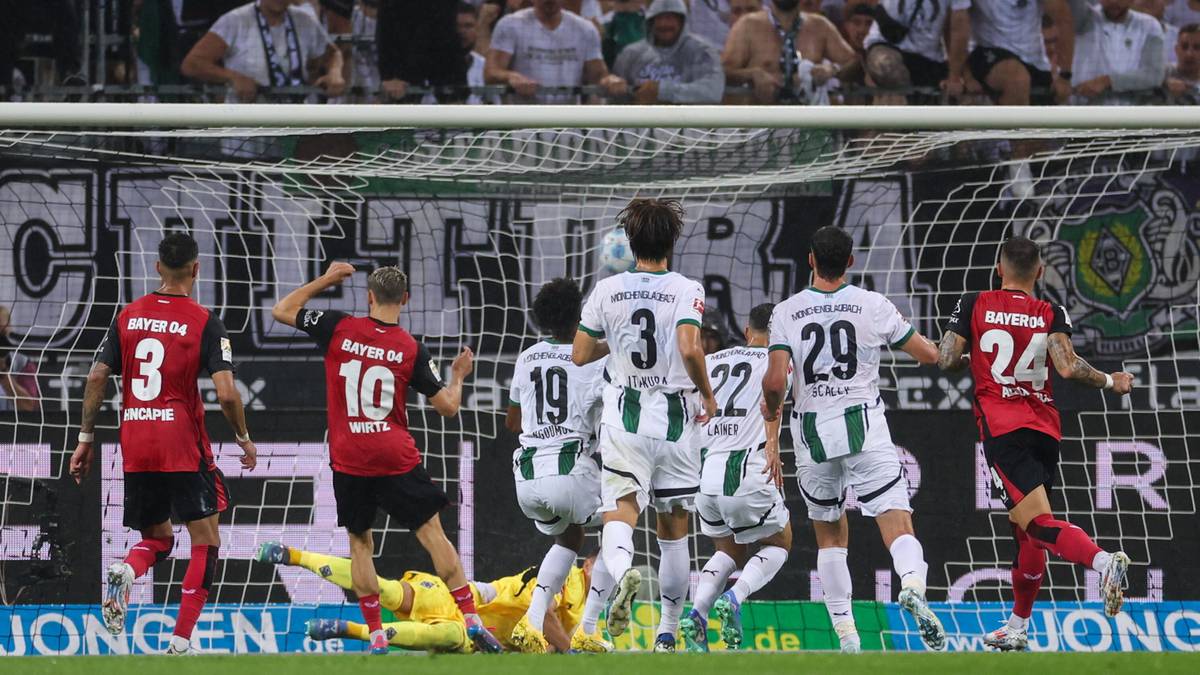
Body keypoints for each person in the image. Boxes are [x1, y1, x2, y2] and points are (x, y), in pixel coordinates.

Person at [271, 263, 502, 655]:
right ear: (406, 300)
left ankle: (377, 633)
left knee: (360, 544)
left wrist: (328, 279)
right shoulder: (411, 348)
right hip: (394, 456)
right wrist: (459, 375)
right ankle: (471, 619)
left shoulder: (338, 327)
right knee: (434, 535)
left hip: (350, 458)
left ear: (369, 297)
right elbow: (447, 407)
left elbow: (282, 309)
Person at [937, 237, 1135, 652]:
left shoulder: (974, 301)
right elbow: (1067, 366)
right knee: (1025, 533)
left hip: (1003, 429)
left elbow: (947, 360)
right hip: (1044, 429)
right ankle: (1017, 627)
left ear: (998, 267)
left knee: (1036, 525)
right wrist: (1109, 380)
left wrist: (958, 340)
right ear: (1040, 272)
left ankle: (1103, 562)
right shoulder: (1050, 311)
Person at [68, 233, 258, 654]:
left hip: (135, 440)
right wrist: (243, 438)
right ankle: (180, 641)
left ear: (157, 268)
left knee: (158, 540)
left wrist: (84, 439)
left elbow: (97, 376)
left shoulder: (128, 316)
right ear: (196, 268)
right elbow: (227, 393)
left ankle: (127, 570)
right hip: (181, 443)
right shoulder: (205, 320)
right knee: (206, 541)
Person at [763, 226, 945, 654]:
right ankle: (913, 586)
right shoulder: (871, 304)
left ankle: (848, 638)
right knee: (897, 522)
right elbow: (928, 355)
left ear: (810, 260)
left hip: (811, 434)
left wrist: (773, 415)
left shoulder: (786, 312)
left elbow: (774, 380)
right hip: (862, 424)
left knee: (829, 538)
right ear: (850, 262)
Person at [572, 198, 718, 653]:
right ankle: (668, 632)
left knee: (620, 515)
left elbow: (579, 354)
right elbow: (691, 349)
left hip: (625, 420)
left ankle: (622, 572)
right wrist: (709, 396)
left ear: (630, 242)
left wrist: (614, 346)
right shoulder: (686, 288)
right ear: (671, 242)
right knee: (675, 530)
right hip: (675, 423)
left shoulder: (607, 289)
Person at [503, 278, 613, 653]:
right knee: (624, 517)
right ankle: (592, 626)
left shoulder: (527, 356)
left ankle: (532, 621)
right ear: (580, 316)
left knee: (570, 536)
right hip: (569, 472)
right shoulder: (596, 359)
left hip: (527, 481)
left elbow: (512, 422)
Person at [681, 303, 793, 652]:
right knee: (780, 542)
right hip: (747, 471)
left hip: (707, 477)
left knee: (729, 549)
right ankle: (735, 596)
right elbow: (776, 396)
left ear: (748, 333)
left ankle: (697, 613)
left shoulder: (712, 362)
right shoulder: (781, 363)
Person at [258, 541, 597, 653]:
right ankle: (292, 555)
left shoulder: (589, 609)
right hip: (466, 604)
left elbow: (552, 643)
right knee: (387, 590)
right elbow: (544, 611)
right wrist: (568, 654)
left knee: (445, 635)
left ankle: (347, 629)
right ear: (589, 561)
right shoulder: (564, 572)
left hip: (477, 638)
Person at [181, 0, 345, 102]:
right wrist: (233, 77)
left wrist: (334, 73)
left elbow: (332, 53)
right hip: (247, 126)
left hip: (295, 124)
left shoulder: (304, 20)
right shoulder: (235, 20)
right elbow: (192, 64)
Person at [485, 0, 628, 103]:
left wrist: (609, 81)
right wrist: (511, 77)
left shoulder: (585, 29)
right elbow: (490, 73)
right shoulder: (510, 25)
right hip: (522, 122)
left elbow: (597, 76)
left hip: (569, 124)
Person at [722, 0, 860, 104]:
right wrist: (752, 74)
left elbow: (855, 63)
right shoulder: (748, 25)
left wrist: (832, 69)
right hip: (761, 122)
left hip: (809, 123)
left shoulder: (820, 26)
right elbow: (724, 71)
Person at [612, 0, 726, 104]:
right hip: (639, 123)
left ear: (682, 22)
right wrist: (613, 84)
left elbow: (712, 91)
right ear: (650, 22)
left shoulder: (702, 52)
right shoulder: (631, 53)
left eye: (670, 18)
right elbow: (615, 91)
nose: (664, 24)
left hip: (687, 123)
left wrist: (662, 91)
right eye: (659, 18)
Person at [965, 0, 1074, 105]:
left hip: (1034, 60)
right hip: (986, 50)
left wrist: (1064, 76)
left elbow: (1063, 19)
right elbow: (956, 20)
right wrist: (963, 74)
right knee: (1017, 80)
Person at [863, 0, 969, 103]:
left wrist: (954, 76)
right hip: (885, 45)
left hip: (927, 57)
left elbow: (958, 27)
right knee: (887, 66)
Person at [1069, 0, 1165, 104]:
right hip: (1084, 110)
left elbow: (1153, 75)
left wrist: (1108, 81)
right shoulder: (1083, 17)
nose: (1113, 1)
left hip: (1130, 112)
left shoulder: (1150, 26)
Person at [376, 0, 468, 102]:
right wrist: (389, 74)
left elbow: (447, 22)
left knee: (455, 107)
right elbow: (386, 20)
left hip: (445, 55)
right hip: (402, 60)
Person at [0, 305, 38, 413]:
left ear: (9, 329)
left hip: (11, 427)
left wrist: (3, 372)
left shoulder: (22, 363)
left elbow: (28, 407)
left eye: (1, 331)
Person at [1166, 23, 1200, 101]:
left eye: (1197, 47)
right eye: (1184, 47)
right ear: (1176, 49)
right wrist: (1164, 83)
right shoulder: (1163, 72)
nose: (1189, 54)